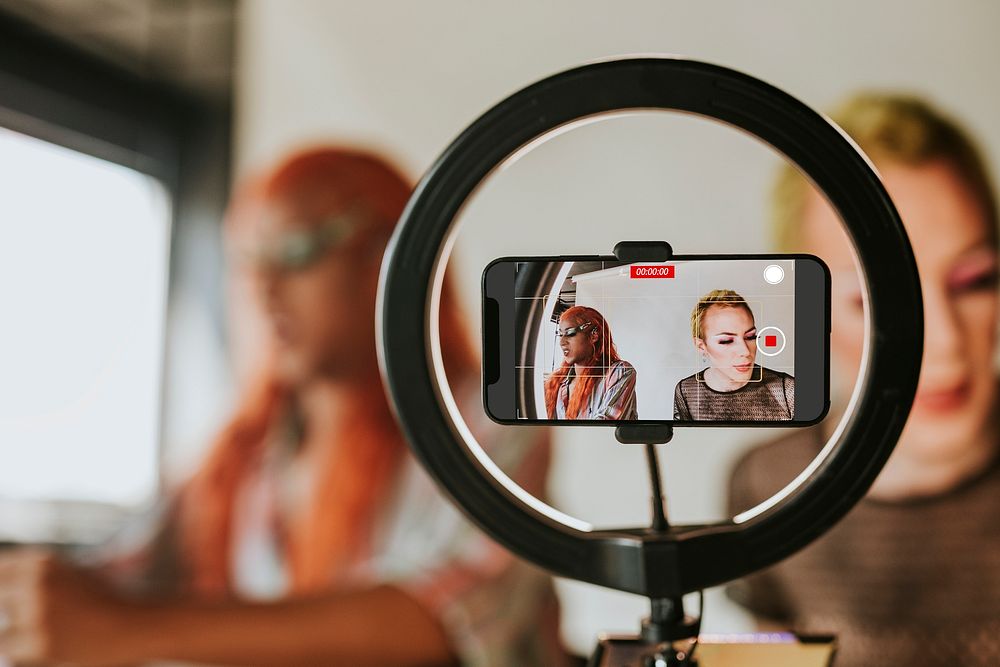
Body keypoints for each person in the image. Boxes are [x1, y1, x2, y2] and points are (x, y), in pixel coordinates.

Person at [0, 148, 566, 667]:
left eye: (297, 253)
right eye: (252, 261)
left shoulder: (490, 418)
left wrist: (129, 631)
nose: (264, 288)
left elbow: (444, 614)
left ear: (388, 258)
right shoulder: (244, 451)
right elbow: (120, 575)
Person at [727, 94, 1000, 666]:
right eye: (871, 297)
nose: (944, 338)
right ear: (806, 314)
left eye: (975, 280)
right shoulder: (767, 490)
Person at [673, 289, 794, 421]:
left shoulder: (786, 390)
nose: (746, 351)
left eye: (750, 337)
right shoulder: (687, 391)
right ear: (701, 346)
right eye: (727, 341)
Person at [544, 305, 638, 420]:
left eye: (570, 333)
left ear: (594, 335)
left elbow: (606, 423)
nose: (562, 342)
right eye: (560, 334)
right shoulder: (556, 384)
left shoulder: (619, 372)